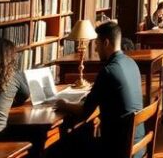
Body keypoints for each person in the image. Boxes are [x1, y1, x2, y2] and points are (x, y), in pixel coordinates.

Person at [56, 22, 145, 158]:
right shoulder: (131, 63)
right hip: (139, 144)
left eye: (97, 44)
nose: (96, 50)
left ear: (106, 43)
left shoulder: (108, 71)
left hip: (119, 150)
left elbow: (85, 112)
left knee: (68, 146)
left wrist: (63, 104)